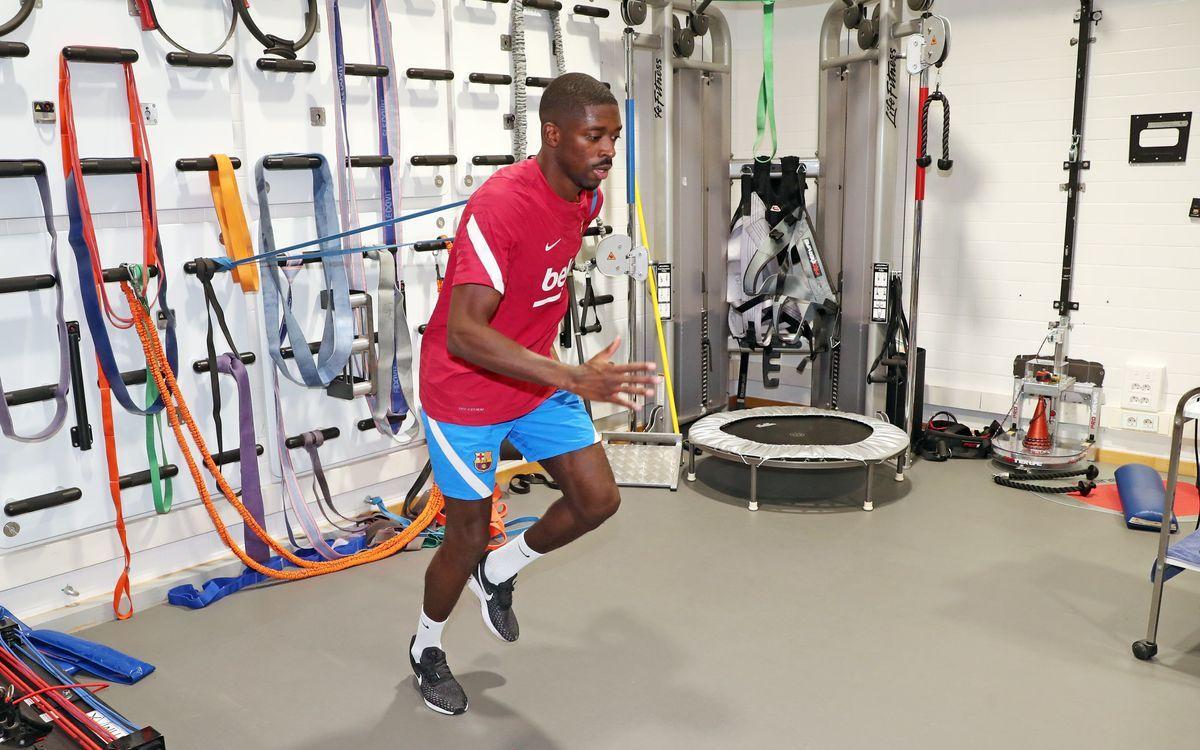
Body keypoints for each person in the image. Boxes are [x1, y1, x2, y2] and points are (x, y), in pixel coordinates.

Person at [409, 72, 656, 716]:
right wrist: (573, 375)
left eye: (614, 137)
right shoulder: (501, 207)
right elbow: (464, 332)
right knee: (463, 537)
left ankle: (502, 569)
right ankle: (426, 646)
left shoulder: (584, 198)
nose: (607, 150)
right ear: (552, 134)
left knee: (598, 499)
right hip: (465, 394)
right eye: (593, 136)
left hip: (533, 379)